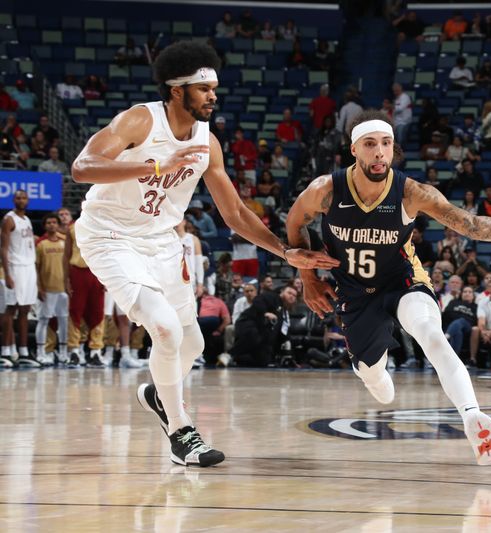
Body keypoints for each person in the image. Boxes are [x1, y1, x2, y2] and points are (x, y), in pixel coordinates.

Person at [70, 41, 338, 467]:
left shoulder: (206, 142)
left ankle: (159, 394)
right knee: (163, 329)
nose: (213, 95)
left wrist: (285, 251)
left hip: (160, 240)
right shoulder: (140, 120)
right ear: (177, 91)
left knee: (192, 341)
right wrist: (156, 165)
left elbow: (233, 213)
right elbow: (82, 168)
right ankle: (181, 432)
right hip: (109, 235)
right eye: (203, 88)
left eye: (215, 87)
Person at [286, 110, 491, 465]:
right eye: (370, 145)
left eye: (386, 144)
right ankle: (372, 372)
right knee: (377, 383)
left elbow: (469, 224)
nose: (379, 152)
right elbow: (295, 222)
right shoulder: (326, 191)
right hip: (355, 291)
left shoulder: (410, 193)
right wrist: (307, 278)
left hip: (402, 279)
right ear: (354, 150)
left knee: (430, 332)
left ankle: (472, 416)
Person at [1, 190, 37, 367]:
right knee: (11, 309)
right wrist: (7, 274)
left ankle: (23, 352)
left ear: (28, 200)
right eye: (18, 198)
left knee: (25, 309)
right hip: (16, 268)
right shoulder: (9, 219)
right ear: (13, 200)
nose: (21, 200)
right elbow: (4, 249)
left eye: (24, 198)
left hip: (29, 267)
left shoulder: (27, 219)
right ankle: (5, 351)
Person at [64, 216, 105, 367]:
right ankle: (74, 350)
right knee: (75, 311)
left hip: (96, 272)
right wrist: (65, 279)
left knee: (98, 312)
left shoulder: (102, 224)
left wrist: (107, 277)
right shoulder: (71, 227)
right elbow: (66, 255)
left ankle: (96, 351)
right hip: (77, 272)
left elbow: (106, 252)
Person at [34, 213, 68, 366]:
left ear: (58, 225)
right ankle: (41, 352)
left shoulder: (65, 242)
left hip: (63, 289)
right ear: (45, 225)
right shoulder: (41, 244)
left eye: (54, 222)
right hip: (47, 289)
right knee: (43, 320)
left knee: (64, 321)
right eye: (49, 222)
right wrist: (39, 287)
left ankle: (63, 353)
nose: (52, 225)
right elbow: (36, 267)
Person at [443, 285, 478, 362]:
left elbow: (474, 320)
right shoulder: (453, 302)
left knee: (461, 320)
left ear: (473, 296)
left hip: (468, 327)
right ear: (461, 294)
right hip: (453, 326)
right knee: (458, 332)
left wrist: (460, 317)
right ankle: (453, 360)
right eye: (465, 292)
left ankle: (445, 338)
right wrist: (462, 317)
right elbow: (447, 314)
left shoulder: (475, 307)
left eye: (470, 292)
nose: (467, 293)